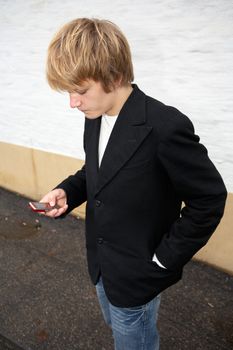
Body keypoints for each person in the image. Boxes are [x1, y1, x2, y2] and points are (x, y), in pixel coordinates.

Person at [40, 18, 227, 350]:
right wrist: (68, 191)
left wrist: (162, 260)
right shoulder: (95, 118)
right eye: (70, 91)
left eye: (80, 91)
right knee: (117, 327)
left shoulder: (165, 126)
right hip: (100, 265)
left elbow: (209, 198)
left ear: (114, 77)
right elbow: (97, 170)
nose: (73, 102)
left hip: (139, 275)